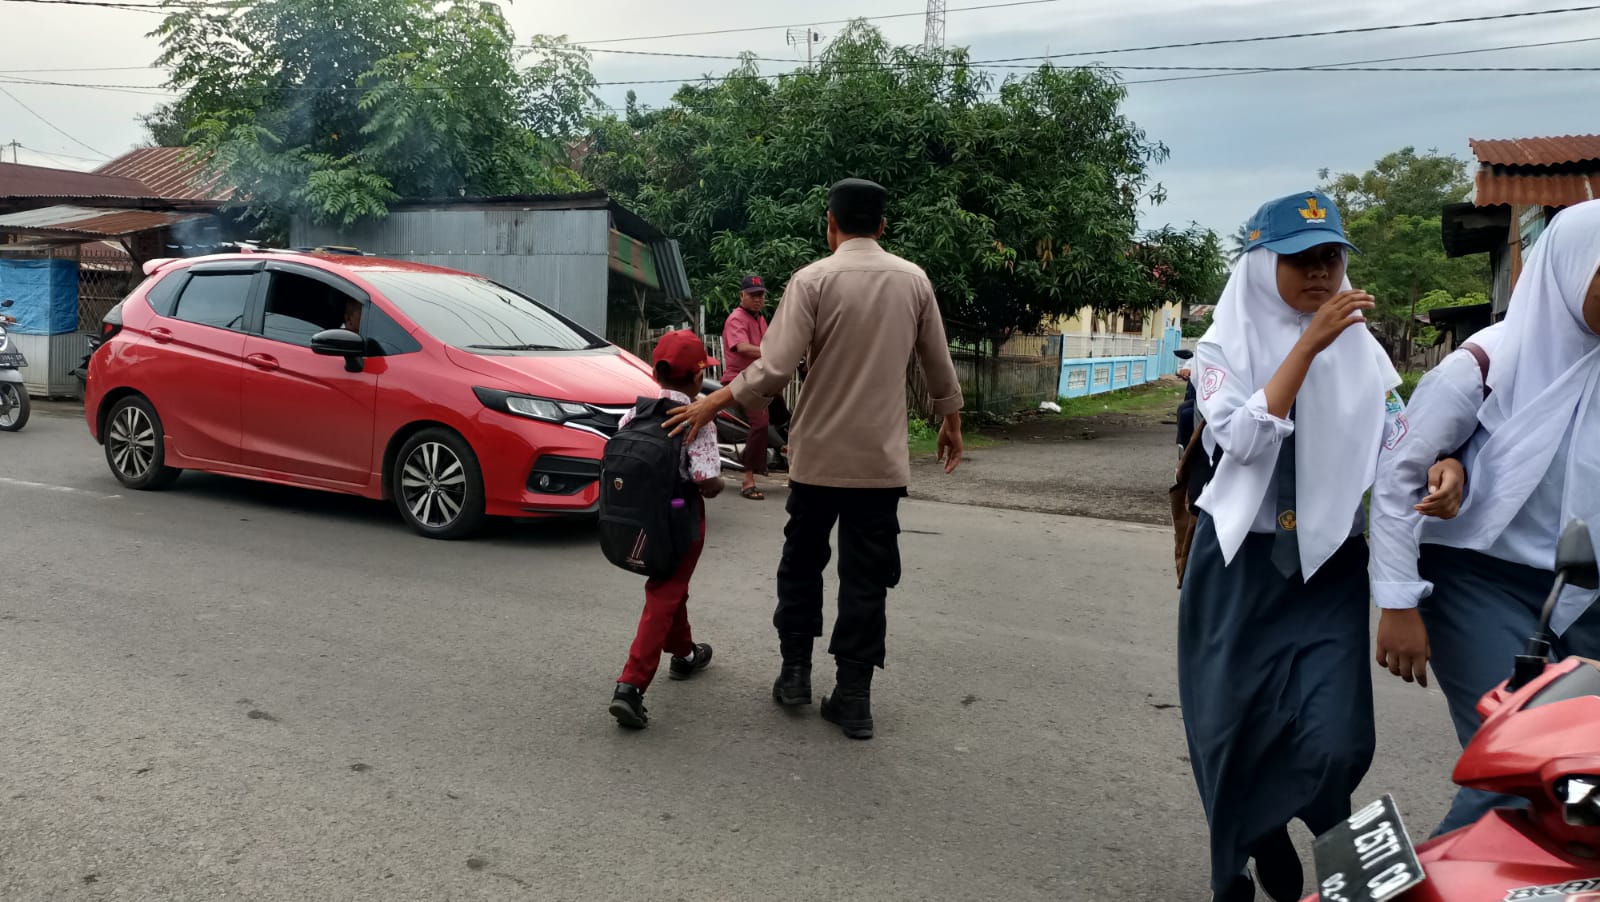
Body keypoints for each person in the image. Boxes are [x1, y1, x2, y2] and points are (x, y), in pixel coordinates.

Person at [1177, 190, 1460, 902]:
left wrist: (1443, 466)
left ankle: (1285, 827)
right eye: (1302, 260)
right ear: (1261, 264)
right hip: (1237, 565)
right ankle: (1253, 843)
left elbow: (1398, 442)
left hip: (1327, 569)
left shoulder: (1361, 353)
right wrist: (1306, 349)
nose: (1320, 274)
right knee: (1228, 730)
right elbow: (1239, 439)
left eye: (1332, 258)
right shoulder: (1220, 350)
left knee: (1338, 742)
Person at [665, 177, 965, 741]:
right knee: (867, 578)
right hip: (879, 464)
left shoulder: (811, 280)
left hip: (818, 459)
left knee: (802, 566)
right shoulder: (914, 281)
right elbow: (937, 363)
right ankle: (853, 698)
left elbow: (773, 368)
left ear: (830, 223)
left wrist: (713, 401)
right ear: (881, 225)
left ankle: (795, 676)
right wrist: (951, 420)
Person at [1369, 197, 1600, 837]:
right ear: (1572, 271)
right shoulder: (1486, 363)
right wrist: (1397, 601)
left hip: (1585, 594)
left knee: (1587, 787)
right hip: (1481, 581)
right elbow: (1397, 477)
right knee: (1521, 768)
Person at [608, 330, 726, 730]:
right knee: (664, 592)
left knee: (671, 587)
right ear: (697, 379)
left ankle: (686, 654)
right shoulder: (698, 419)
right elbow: (707, 480)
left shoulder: (634, 413)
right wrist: (720, 484)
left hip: (639, 521)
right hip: (680, 521)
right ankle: (631, 685)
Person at [722, 274, 777, 500]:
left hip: (759, 378)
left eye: (761, 295)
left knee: (786, 417)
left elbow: (770, 342)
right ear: (742, 295)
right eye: (753, 295)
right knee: (761, 423)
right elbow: (743, 347)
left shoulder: (759, 318)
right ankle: (748, 478)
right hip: (740, 379)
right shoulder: (736, 318)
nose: (758, 299)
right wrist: (773, 353)